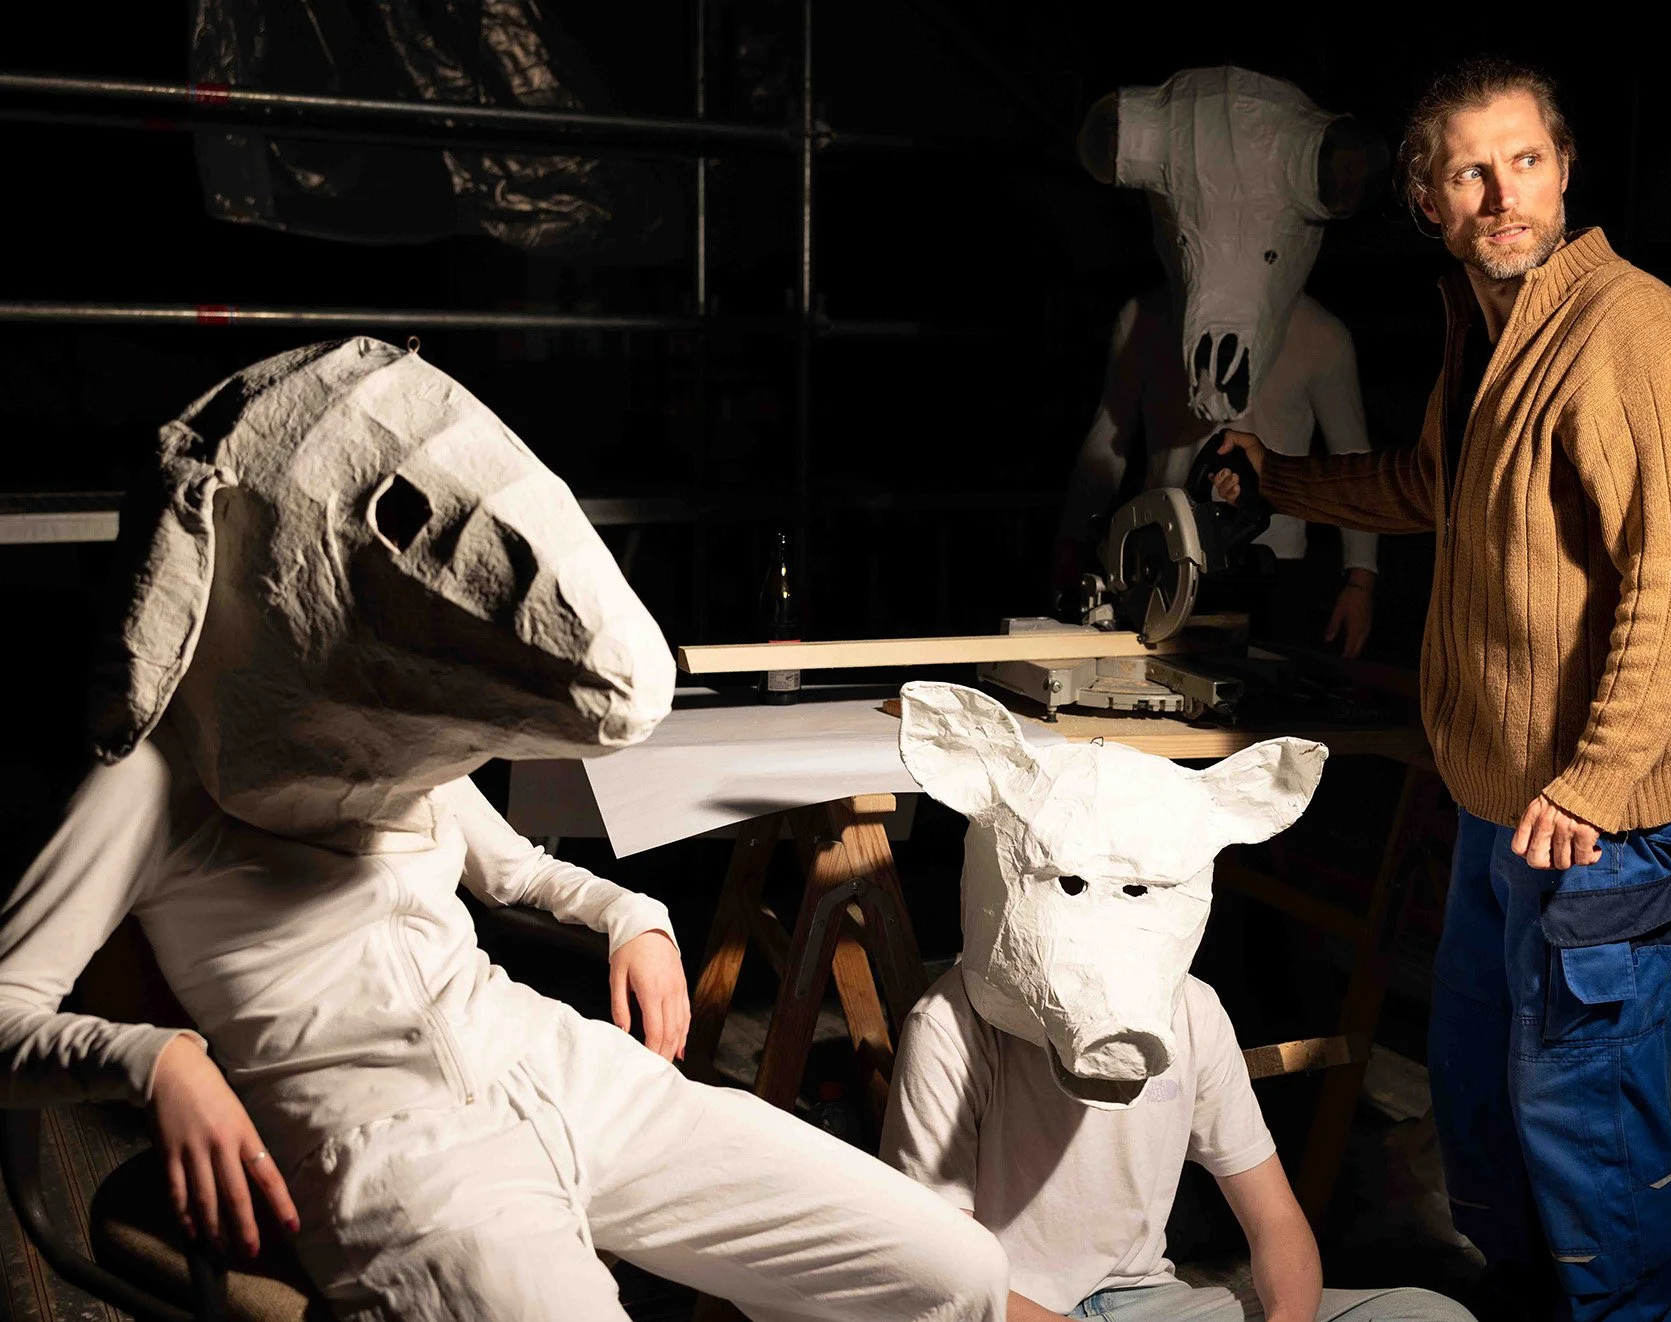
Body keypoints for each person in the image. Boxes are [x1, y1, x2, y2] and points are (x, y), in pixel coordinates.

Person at [0, 339, 1007, 1322]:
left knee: (953, 1273)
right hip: (394, 1156)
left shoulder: (389, 725)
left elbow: (514, 871)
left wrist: (633, 915)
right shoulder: (150, 772)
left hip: (554, 1061)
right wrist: (156, 1060)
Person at [1216, 57, 1671, 1322]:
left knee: (1583, 1118)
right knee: (1481, 1093)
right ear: (1429, 203)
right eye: (1471, 172)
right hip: (1505, 805)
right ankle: (1519, 1300)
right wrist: (1277, 476)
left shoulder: (1626, 329)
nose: (1503, 195)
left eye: (1525, 161)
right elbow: (1428, 486)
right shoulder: (1492, 330)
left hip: (1597, 818)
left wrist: (1596, 779)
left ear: (1564, 173)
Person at [881, 966, 1477, 1322]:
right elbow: (940, 1273)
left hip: (1149, 1302)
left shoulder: (1192, 1007)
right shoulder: (950, 1022)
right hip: (1005, 1311)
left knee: (1429, 1314)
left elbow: (1274, 1217)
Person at [1056, 288, 1380, 654]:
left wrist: (1361, 579)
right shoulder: (1143, 317)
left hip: (1270, 561)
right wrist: (1072, 542)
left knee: (1269, 678)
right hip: (1161, 555)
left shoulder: (1320, 331)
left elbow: (1354, 458)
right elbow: (1107, 439)